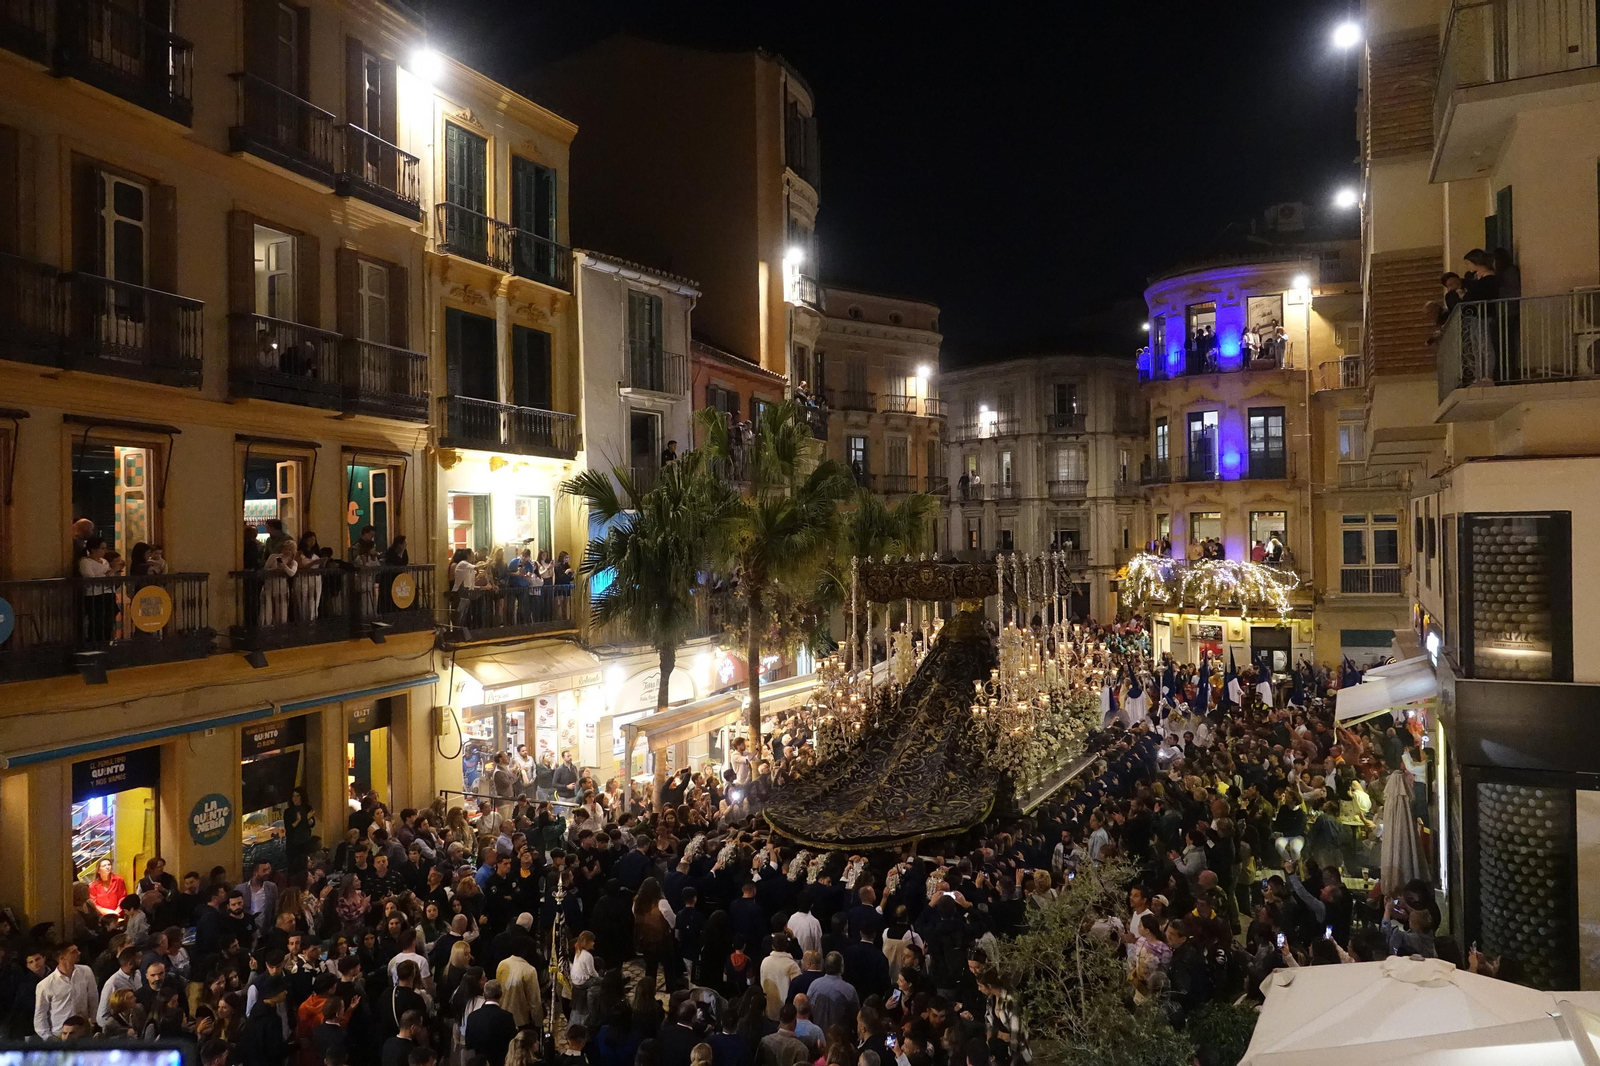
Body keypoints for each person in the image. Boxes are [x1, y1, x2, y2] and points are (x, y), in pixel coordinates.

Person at [34, 944, 98, 1039]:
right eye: (73, 952)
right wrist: (49, 1038)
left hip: (83, 1032)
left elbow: (93, 999)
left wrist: (94, 1023)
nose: (79, 953)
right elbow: (40, 1015)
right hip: (60, 1034)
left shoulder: (86, 971)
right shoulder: (45, 985)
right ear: (62, 957)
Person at [464, 979, 518, 1066]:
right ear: (501, 994)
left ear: (484, 995)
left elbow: (468, 1044)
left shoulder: (472, 1017)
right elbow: (512, 1042)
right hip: (501, 1061)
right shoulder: (507, 1017)